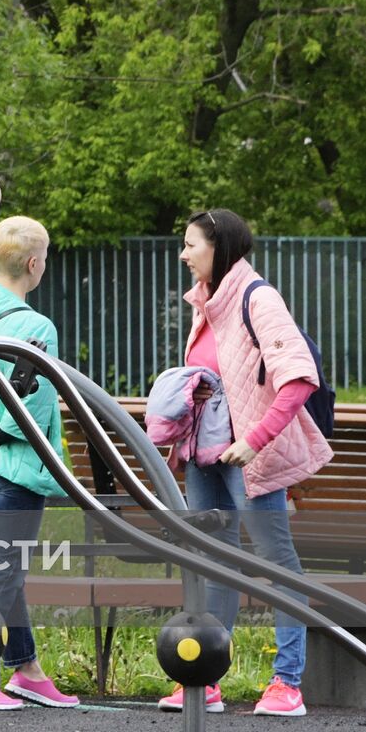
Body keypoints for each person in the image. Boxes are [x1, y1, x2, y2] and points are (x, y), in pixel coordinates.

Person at [157, 209, 331, 717]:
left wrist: (254, 442)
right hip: (204, 457)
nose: (183, 254)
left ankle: (287, 684)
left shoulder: (258, 297)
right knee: (214, 563)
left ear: (220, 247)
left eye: (191, 245)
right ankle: (208, 680)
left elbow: (297, 379)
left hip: (246, 460)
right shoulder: (206, 303)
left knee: (278, 565)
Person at [0, 168, 78, 710]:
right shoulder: (36, 328)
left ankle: (25, 668)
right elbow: (34, 411)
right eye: (44, 257)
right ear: (33, 265)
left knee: (2, 570)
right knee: (3, 575)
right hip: (18, 466)